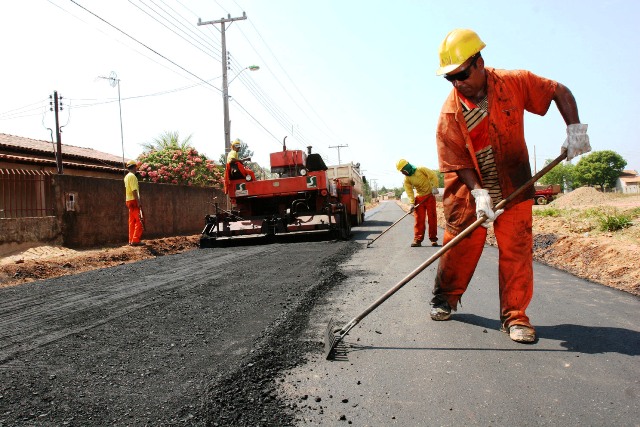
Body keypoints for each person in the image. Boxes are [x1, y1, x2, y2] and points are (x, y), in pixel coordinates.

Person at [430, 29, 590, 343]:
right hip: (467, 187)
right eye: (450, 78)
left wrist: (575, 131)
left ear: (479, 63)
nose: (458, 82)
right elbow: (457, 161)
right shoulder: (450, 113)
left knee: (516, 247)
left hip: (513, 180)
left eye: (461, 73)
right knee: (461, 244)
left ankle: (515, 317)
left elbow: (560, 91)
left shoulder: (514, 82)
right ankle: (445, 298)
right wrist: (478, 193)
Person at [396, 159, 440, 247]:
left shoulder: (421, 169)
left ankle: (433, 239)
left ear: (407, 167)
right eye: (401, 171)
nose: (402, 173)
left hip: (429, 197)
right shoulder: (407, 179)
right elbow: (409, 191)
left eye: (402, 170)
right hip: (419, 199)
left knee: (432, 218)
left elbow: (432, 175)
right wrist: (412, 203)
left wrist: (435, 187)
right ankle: (418, 240)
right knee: (419, 219)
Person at [124, 159, 144, 246]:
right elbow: (134, 190)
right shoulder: (133, 177)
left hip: (128, 200)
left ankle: (131, 240)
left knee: (131, 221)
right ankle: (136, 240)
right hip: (133, 200)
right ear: (135, 167)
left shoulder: (126, 177)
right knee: (139, 220)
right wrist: (138, 201)